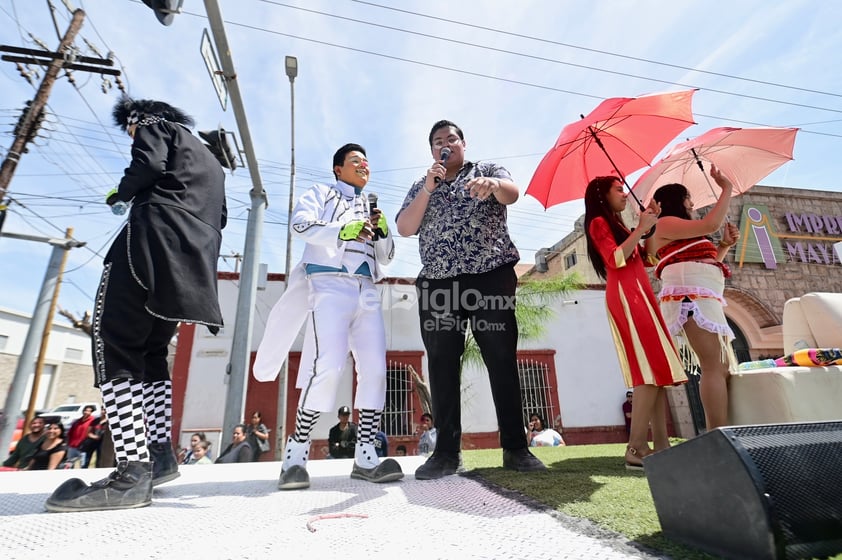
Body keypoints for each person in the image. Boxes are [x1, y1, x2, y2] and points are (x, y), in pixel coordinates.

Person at [46, 96, 227, 512]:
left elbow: (147, 165)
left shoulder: (153, 125)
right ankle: (159, 456)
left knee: (116, 343)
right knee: (151, 353)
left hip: (147, 245)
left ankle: (131, 470)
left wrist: (121, 192)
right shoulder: (211, 160)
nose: (131, 134)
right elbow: (221, 217)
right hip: (190, 263)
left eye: (129, 128)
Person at [396, 120, 546, 479]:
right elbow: (404, 227)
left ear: (463, 143)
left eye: (451, 139)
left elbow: (512, 193)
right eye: (437, 142)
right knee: (442, 364)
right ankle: (446, 453)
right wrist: (429, 189)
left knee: (501, 360)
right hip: (438, 284)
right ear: (432, 151)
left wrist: (493, 185)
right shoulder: (422, 184)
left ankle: (515, 448)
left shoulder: (487, 171)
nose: (445, 144)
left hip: (489, 276)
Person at [266, 143, 403, 490]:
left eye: (367, 162)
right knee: (327, 365)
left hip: (366, 287)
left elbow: (385, 257)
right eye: (355, 161)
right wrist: (344, 230)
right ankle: (295, 455)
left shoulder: (371, 206)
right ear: (338, 170)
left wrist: (383, 230)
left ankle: (366, 455)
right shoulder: (322, 193)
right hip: (328, 284)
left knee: (374, 368)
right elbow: (300, 225)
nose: (364, 166)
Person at [583, 175, 687, 469]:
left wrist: (650, 224)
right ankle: (636, 446)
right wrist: (640, 228)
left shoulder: (618, 226)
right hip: (628, 298)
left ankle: (661, 444)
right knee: (648, 370)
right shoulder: (598, 223)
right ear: (602, 196)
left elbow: (648, 257)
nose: (625, 195)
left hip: (640, 296)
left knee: (656, 371)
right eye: (619, 190)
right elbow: (615, 259)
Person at [645, 165, 740, 431]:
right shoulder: (664, 223)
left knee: (719, 368)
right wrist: (726, 189)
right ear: (677, 201)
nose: (692, 203)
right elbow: (711, 223)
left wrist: (723, 246)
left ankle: (718, 429)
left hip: (702, 295)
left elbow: (705, 263)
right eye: (688, 198)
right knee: (713, 366)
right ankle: (716, 432)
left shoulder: (682, 229)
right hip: (691, 297)